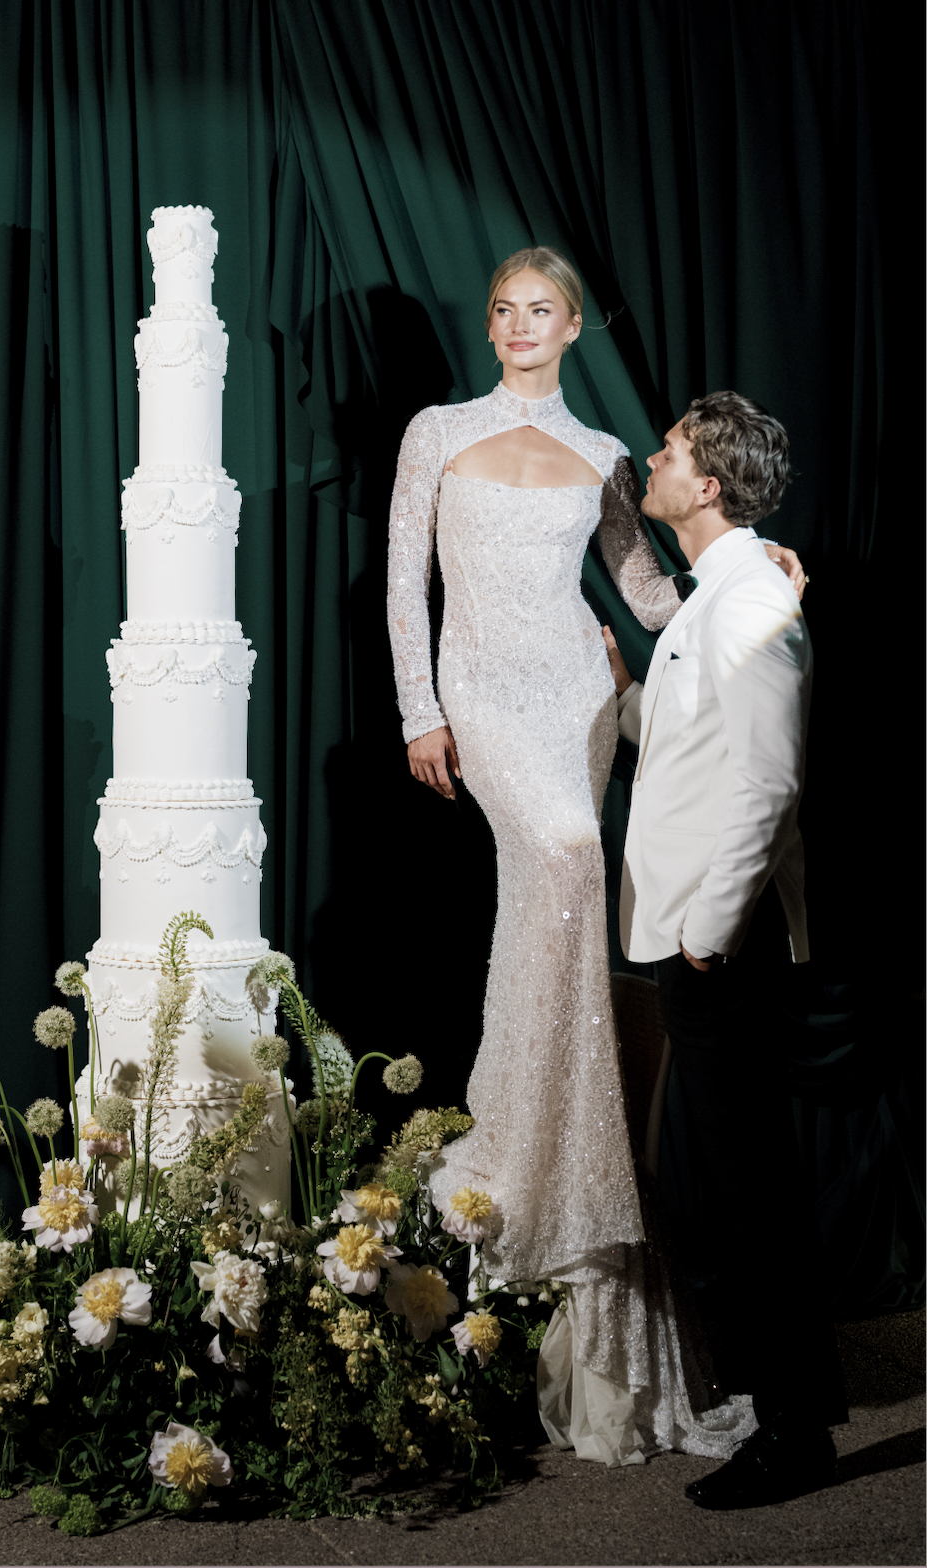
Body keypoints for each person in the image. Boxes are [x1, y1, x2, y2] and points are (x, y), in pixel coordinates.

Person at [385, 245, 805, 1468]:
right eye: (502, 309)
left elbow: (636, 582)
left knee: (577, 874)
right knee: (567, 859)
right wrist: (421, 707)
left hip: (577, 692)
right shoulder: (435, 431)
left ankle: (570, 1147)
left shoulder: (607, 455)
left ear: (570, 326)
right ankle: (518, 1144)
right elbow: (404, 583)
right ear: (490, 325)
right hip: (481, 689)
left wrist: (743, 587)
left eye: (540, 309)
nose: (518, 324)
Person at [605, 393, 847, 1507]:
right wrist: (622, 691)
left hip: (717, 941)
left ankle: (796, 1432)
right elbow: (689, 738)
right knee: (737, 1178)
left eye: (664, 452)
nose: (651, 460)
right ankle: (783, 1401)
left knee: (753, 1186)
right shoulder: (721, 597)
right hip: (688, 933)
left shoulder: (753, 604)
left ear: (704, 485)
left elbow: (763, 781)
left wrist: (705, 932)